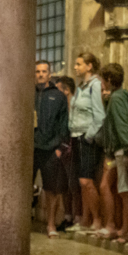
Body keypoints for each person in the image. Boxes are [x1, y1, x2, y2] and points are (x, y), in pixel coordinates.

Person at [97, 63, 128, 242]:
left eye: (103, 80)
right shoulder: (119, 96)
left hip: (125, 149)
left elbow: (121, 124)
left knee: (126, 191)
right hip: (125, 148)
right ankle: (126, 228)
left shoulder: (117, 99)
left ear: (109, 80)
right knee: (124, 189)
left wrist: (125, 149)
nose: (102, 84)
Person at [69, 52, 108, 234]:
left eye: (79, 64)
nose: (75, 67)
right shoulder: (80, 87)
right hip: (76, 136)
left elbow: (99, 115)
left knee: (87, 181)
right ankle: (85, 219)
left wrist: (89, 136)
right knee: (81, 181)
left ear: (89, 66)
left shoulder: (95, 85)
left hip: (87, 138)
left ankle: (98, 220)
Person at [35, 61, 70, 237]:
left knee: (51, 189)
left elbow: (64, 124)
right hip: (31, 148)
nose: (40, 74)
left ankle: (51, 225)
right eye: (37, 71)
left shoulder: (58, 96)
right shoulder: (27, 94)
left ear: (50, 74)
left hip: (50, 149)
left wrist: (59, 147)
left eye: (44, 71)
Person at [54, 75, 80, 225]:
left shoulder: (74, 107)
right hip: (62, 149)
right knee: (63, 184)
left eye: (59, 90)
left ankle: (77, 216)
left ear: (67, 90)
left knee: (74, 184)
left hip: (73, 149)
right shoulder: (62, 108)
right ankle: (67, 215)